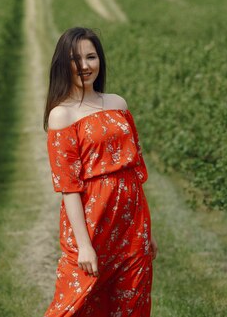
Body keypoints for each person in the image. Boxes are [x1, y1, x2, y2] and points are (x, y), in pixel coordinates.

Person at [42, 27, 158, 317]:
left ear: (100, 60)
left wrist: (147, 230)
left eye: (91, 57)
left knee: (132, 300)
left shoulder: (118, 103)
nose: (84, 66)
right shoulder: (62, 114)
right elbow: (68, 186)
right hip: (93, 223)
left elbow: (133, 170)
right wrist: (84, 246)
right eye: (75, 59)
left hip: (132, 222)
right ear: (62, 64)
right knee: (75, 302)